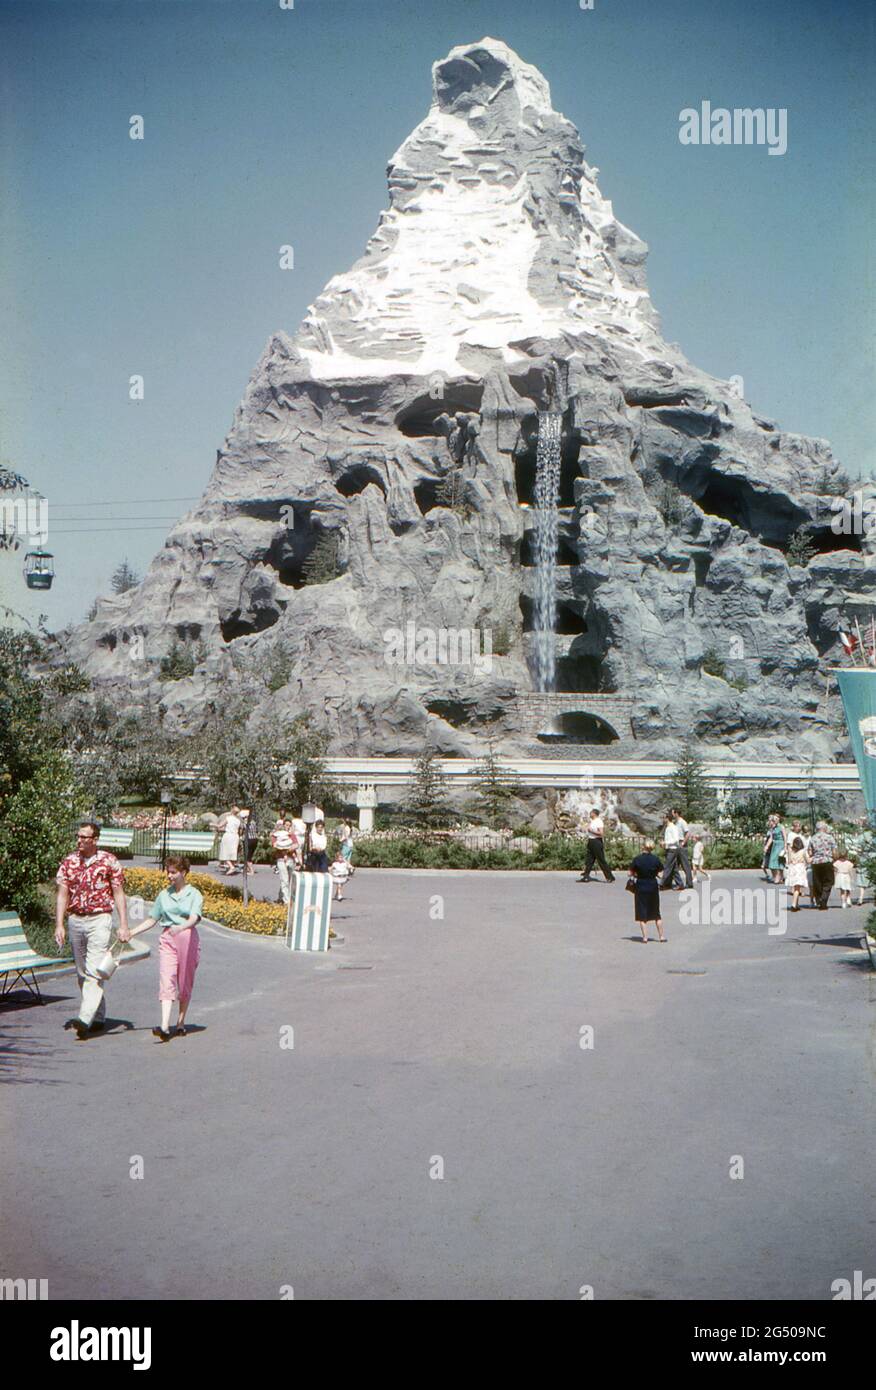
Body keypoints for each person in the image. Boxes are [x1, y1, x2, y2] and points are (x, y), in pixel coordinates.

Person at [55, 822, 131, 1040]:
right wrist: (59, 924)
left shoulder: (109, 861)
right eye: (78, 836)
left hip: (100, 919)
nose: (79, 841)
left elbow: (118, 893)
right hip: (76, 919)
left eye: (84, 837)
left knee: (94, 970)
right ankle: (98, 1016)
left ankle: (84, 1019)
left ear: (95, 839)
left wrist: (123, 924)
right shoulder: (70, 862)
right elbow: (62, 894)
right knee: (81, 973)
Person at [129, 856, 202, 1041]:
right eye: (168, 872)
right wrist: (132, 932)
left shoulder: (194, 894)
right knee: (166, 977)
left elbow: (194, 917)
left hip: (187, 937)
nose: (169, 876)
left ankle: (180, 1022)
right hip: (168, 938)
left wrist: (183, 926)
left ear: (183, 873)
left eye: (173, 872)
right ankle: (163, 1026)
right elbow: (153, 918)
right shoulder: (163, 895)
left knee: (184, 980)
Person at [629, 840, 666, 943]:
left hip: (641, 885)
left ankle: (645, 937)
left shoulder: (637, 859)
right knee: (656, 912)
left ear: (643, 847)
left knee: (642, 912)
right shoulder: (655, 859)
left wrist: (636, 875)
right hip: (653, 886)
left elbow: (630, 873)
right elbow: (661, 874)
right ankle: (661, 936)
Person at [577, 808, 615, 883]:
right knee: (589, 860)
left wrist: (591, 830)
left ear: (594, 813)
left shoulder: (599, 821)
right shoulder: (593, 821)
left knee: (601, 860)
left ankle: (610, 877)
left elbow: (601, 833)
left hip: (596, 842)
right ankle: (586, 876)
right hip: (591, 841)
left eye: (591, 812)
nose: (590, 813)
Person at [808, 821, 838, 910]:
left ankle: (819, 899)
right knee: (828, 882)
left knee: (818, 882)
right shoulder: (830, 837)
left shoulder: (812, 838)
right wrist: (835, 859)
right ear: (824, 828)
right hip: (827, 861)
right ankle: (823, 900)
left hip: (816, 863)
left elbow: (810, 852)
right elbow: (835, 851)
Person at [661, 809, 692, 890]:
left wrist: (683, 843)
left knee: (685, 865)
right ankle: (672, 883)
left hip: (680, 844)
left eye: (673, 813)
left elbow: (688, 833)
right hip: (675, 845)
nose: (672, 815)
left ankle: (689, 883)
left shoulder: (682, 822)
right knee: (674, 866)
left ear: (676, 813)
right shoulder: (675, 823)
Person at [271, 818, 296, 906]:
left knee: (289, 880)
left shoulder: (291, 835)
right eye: (286, 825)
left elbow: (295, 845)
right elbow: (275, 845)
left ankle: (280, 897)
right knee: (284, 879)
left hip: (290, 860)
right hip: (281, 860)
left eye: (289, 825)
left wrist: (287, 850)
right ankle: (287, 901)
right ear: (283, 825)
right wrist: (284, 851)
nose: (287, 827)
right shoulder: (276, 835)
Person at [785, 835, 809, 912]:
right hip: (800, 869)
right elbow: (808, 860)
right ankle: (794, 904)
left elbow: (789, 861)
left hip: (793, 869)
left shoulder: (791, 852)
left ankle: (796, 904)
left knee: (796, 887)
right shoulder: (803, 851)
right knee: (797, 889)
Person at [218, 806, 241, 875]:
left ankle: (231, 867)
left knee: (224, 852)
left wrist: (213, 825)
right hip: (235, 836)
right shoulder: (238, 821)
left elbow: (220, 826)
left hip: (228, 835)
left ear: (231, 811)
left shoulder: (228, 818)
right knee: (232, 852)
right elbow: (239, 830)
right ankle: (231, 867)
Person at [766, 814, 786, 884]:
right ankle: (777, 877)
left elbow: (784, 837)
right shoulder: (773, 828)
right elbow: (771, 838)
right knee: (773, 861)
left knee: (780, 861)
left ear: (779, 819)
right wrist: (767, 846)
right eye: (774, 819)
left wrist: (785, 847)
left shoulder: (781, 827)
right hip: (775, 845)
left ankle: (780, 877)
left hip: (781, 844)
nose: (775, 820)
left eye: (777, 819)